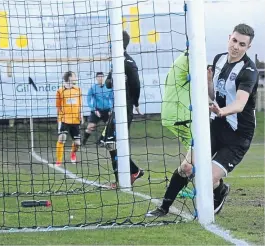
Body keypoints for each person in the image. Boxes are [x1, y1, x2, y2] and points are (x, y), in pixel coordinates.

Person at [146, 23, 259, 217]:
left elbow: (240, 104)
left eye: (242, 44)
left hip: (238, 136)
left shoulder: (249, 71)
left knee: (205, 178)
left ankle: (220, 190)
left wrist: (221, 111)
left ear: (248, 47)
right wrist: (208, 82)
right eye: (234, 41)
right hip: (215, 125)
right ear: (229, 37)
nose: (236, 47)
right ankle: (163, 208)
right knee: (187, 167)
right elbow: (214, 94)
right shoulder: (219, 60)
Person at [101, 31, 144, 188]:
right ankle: (132, 172)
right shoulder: (117, 62)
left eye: (112, 42)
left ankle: (126, 176)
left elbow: (136, 84)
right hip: (117, 107)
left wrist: (136, 103)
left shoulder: (128, 62)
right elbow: (107, 83)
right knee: (109, 142)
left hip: (125, 107)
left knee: (112, 142)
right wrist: (112, 79)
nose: (110, 45)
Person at [55, 71, 83, 166]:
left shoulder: (78, 90)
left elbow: (79, 104)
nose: (76, 78)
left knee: (78, 143)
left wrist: (81, 114)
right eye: (74, 76)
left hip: (75, 120)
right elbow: (58, 107)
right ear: (70, 78)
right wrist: (59, 119)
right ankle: (59, 160)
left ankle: (73, 154)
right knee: (62, 138)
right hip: (64, 119)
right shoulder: (60, 91)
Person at [82, 72, 114, 146]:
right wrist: (94, 109)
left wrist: (111, 109)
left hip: (107, 110)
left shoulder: (109, 88)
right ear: (96, 78)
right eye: (99, 77)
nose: (100, 78)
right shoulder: (93, 88)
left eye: (102, 77)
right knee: (91, 126)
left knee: (109, 126)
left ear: (104, 78)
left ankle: (101, 141)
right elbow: (88, 100)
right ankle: (83, 141)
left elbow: (112, 99)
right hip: (97, 110)